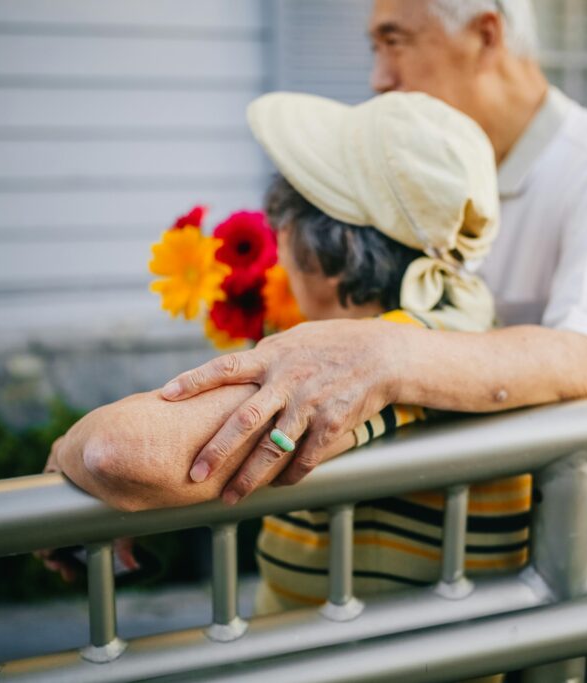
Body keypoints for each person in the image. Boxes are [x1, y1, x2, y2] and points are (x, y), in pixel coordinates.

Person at [164, 0, 587, 545]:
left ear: (485, 35)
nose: (378, 77)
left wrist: (385, 352)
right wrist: (154, 492)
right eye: (375, 46)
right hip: (470, 544)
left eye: (395, 41)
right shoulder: (426, 172)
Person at [46, 91, 531, 614]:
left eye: (287, 221)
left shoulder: (368, 360)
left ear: (329, 251)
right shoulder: (461, 322)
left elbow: (117, 452)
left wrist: (64, 452)